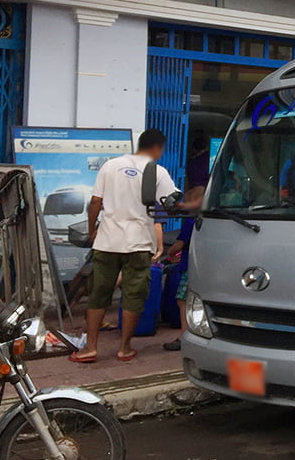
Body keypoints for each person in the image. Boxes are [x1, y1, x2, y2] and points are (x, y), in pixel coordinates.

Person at [70, 129, 176, 364]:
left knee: (98, 294)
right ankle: (124, 348)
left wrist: (92, 230)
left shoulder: (110, 165)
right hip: (138, 243)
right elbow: (170, 204)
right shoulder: (158, 172)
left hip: (108, 241)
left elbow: (95, 202)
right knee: (133, 295)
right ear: (158, 148)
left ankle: (91, 348)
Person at [162, 186, 205, 352]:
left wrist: (167, 252)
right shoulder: (205, 220)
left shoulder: (190, 222)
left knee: (182, 300)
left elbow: (179, 245)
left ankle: (184, 336)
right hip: (200, 264)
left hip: (189, 266)